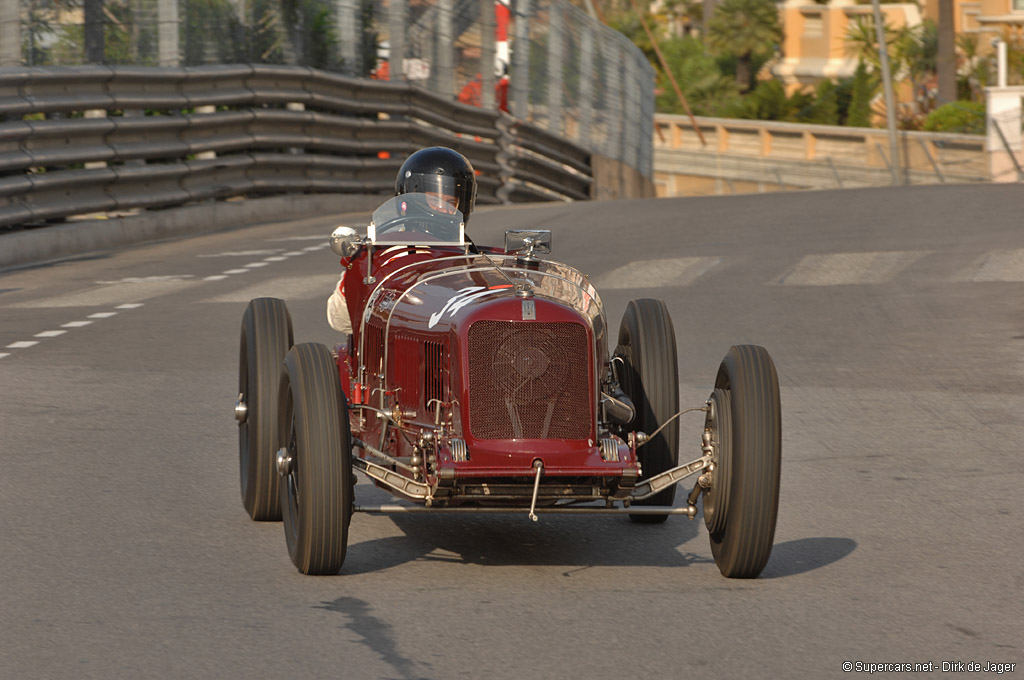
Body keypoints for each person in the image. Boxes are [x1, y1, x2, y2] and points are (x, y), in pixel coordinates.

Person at [327, 147, 477, 334]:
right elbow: (339, 320)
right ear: (410, 198)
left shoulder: (471, 257)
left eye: (450, 202)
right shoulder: (381, 251)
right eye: (435, 201)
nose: (444, 210)